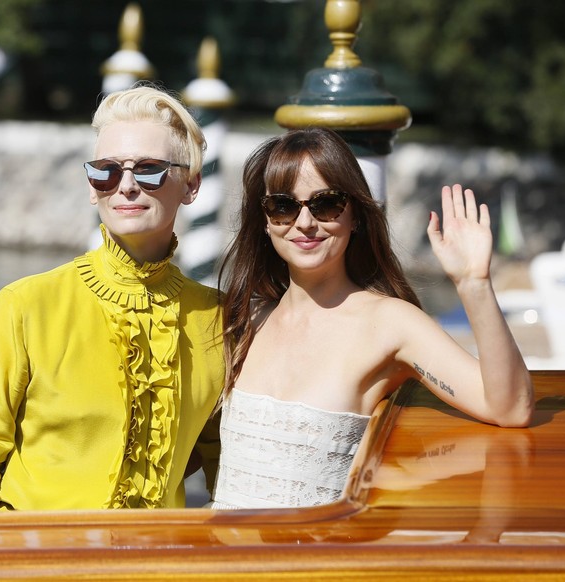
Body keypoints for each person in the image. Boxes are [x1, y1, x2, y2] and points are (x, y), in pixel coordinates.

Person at [0, 85, 224, 511]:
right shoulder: (24, 306)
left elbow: (228, 469)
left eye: (150, 169)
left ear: (191, 185)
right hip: (33, 565)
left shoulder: (218, 319)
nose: (126, 186)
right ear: (91, 186)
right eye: (107, 170)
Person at [209, 127, 534, 509]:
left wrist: (473, 283)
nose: (305, 222)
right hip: (219, 564)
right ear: (265, 222)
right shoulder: (249, 319)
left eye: (326, 204)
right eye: (283, 207)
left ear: (356, 216)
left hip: (311, 566)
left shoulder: (389, 323)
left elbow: (509, 407)